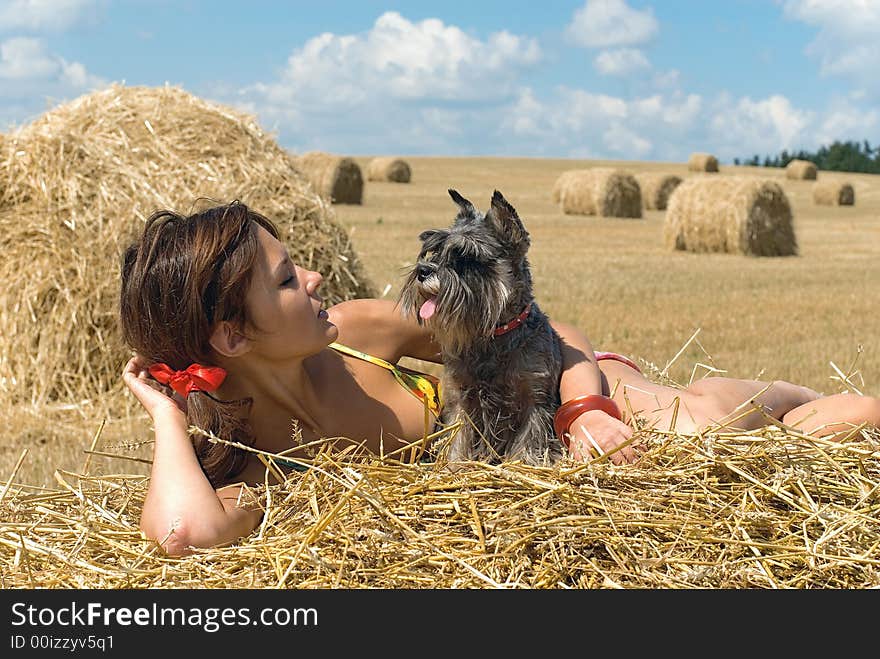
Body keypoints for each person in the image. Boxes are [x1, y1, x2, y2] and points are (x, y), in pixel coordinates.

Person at [121, 200, 880, 556]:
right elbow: (186, 533)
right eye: (289, 278)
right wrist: (162, 411)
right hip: (523, 482)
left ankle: (790, 394)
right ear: (231, 334)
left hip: (572, 399)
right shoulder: (245, 449)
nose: (317, 275)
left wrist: (583, 409)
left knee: (722, 427)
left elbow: (548, 332)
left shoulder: (353, 332)